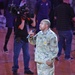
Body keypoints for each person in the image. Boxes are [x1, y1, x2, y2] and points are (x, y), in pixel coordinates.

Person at [12, 3, 34, 75]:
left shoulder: (26, 18)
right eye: (25, 12)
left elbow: (33, 24)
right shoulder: (17, 18)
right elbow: (21, 27)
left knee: (27, 55)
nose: (26, 13)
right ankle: (15, 69)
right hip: (18, 39)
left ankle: (26, 69)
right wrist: (23, 20)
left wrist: (32, 17)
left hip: (25, 39)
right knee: (16, 55)